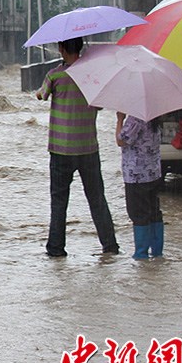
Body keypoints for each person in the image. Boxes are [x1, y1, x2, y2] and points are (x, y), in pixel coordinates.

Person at [36, 37, 120, 257]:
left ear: (61, 49)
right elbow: (99, 104)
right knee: (97, 199)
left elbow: (41, 95)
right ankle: (110, 246)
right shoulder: (92, 76)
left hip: (61, 149)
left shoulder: (54, 75)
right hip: (88, 148)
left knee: (59, 201)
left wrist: (44, 92)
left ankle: (56, 249)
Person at [115, 113, 163, 259]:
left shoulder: (135, 119)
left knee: (138, 213)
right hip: (153, 172)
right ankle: (157, 252)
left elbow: (121, 140)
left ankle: (141, 254)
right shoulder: (155, 118)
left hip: (136, 175)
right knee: (154, 211)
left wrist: (120, 120)